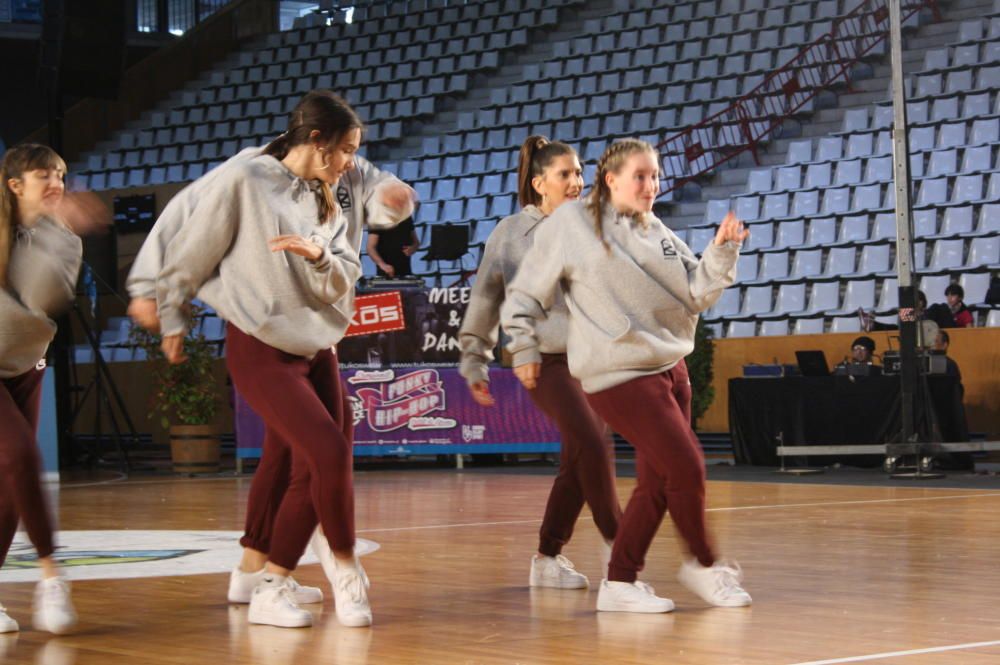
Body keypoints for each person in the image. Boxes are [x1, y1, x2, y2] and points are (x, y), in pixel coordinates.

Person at [126, 97, 414, 612]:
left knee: (289, 460)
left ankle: (253, 574)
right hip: (261, 344)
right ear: (316, 140)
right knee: (325, 454)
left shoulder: (330, 191)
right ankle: (333, 570)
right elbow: (191, 248)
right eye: (345, 150)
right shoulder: (245, 179)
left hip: (319, 345)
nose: (351, 162)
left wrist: (329, 249)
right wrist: (168, 313)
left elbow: (347, 267)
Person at [502, 139, 752, 614]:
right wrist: (524, 345)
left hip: (670, 368)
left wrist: (722, 252)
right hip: (617, 372)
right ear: (610, 179)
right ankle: (704, 565)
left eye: (655, 176)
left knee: (657, 484)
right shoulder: (571, 225)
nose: (651, 185)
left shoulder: (654, 229)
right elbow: (525, 292)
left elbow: (697, 292)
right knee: (687, 467)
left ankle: (619, 582)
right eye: (640, 176)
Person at [459, 135, 621, 589]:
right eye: (565, 174)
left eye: (579, 173)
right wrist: (475, 359)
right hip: (544, 363)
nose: (577, 182)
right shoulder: (511, 233)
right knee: (591, 443)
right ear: (539, 183)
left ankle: (547, 558)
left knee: (576, 461)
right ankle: (623, 554)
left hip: (594, 363)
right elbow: (485, 300)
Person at [0, 144, 107, 634]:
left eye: (61, 173)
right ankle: (50, 574)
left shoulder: (64, 238)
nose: (56, 181)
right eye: (43, 174)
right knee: (22, 456)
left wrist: (51, 235)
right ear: (14, 184)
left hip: (26, 362)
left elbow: (40, 299)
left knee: (7, 488)